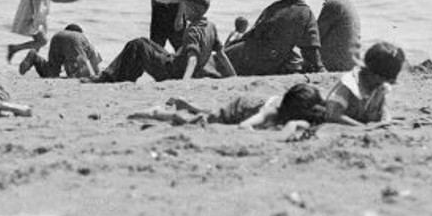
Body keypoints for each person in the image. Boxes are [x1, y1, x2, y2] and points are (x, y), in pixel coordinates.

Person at [92, 0, 232, 83]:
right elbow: (221, 54)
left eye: (186, 8)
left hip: (171, 71)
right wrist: (234, 76)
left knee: (137, 45)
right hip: (174, 62)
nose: (183, 11)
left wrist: (184, 83)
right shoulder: (211, 26)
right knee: (144, 41)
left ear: (194, 9)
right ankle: (117, 76)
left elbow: (193, 59)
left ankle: (110, 78)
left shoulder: (193, 31)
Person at [226, 0, 324, 76]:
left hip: (249, 56)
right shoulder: (305, 13)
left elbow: (253, 33)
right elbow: (311, 48)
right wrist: (319, 68)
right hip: (271, 61)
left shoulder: (272, 9)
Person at [128, 82, 328, 130]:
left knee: (213, 112)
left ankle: (188, 104)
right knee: (203, 121)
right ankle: (159, 112)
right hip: (242, 109)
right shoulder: (271, 113)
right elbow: (244, 126)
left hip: (253, 100)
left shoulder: (304, 106)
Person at [324, 41, 405, 126]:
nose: (383, 82)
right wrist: (362, 127)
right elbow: (334, 115)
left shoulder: (380, 87)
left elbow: (383, 108)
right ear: (372, 72)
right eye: (382, 78)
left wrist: (386, 120)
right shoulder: (349, 84)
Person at [19, 23, 102, 79]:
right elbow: (94, 57)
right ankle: (76, 73)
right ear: (80, 33)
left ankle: (35, 57)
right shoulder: (80, 37)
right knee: (82, 74)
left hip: (56, 37)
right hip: (73, 40)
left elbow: (67, 61)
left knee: (51, 72)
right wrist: (98, 73)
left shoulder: (61, 34)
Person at [316, 0, 361, 72]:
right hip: (351, 63)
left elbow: (316, 35)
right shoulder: (346, 2)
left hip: (337, 65)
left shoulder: (333, 3)